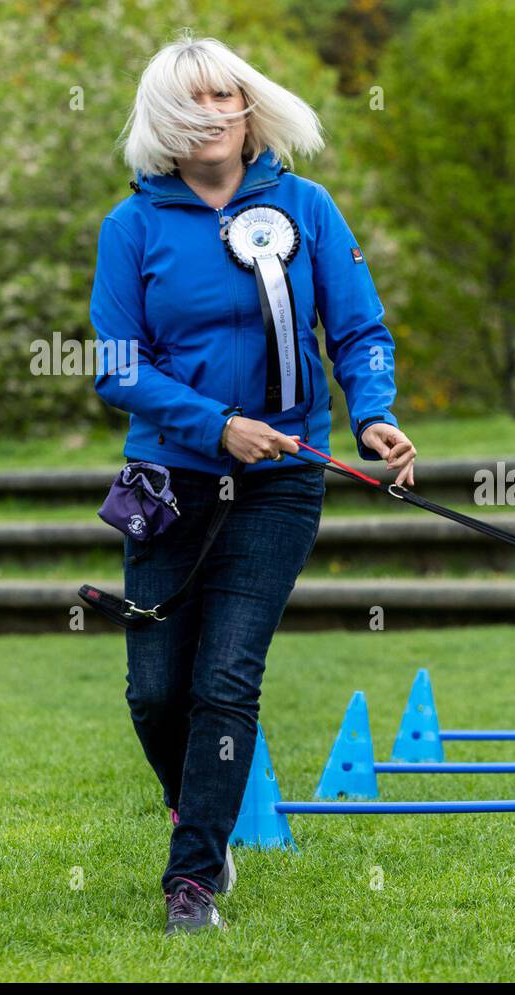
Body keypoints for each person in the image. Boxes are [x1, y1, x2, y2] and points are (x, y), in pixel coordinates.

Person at [89, 32, 415, 934]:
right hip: (168, 482)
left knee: (225, 678)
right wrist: (214, 426)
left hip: (282, 479)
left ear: (248, 108)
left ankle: (190, 882)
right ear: (164, 121)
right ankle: (201, 814)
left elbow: (360, 333)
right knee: (155, 691)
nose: (211, 116)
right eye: (190, 104)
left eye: (224, 98)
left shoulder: (308, 208)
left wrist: (374, 411)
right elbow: (116, 367)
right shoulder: (132, 228)